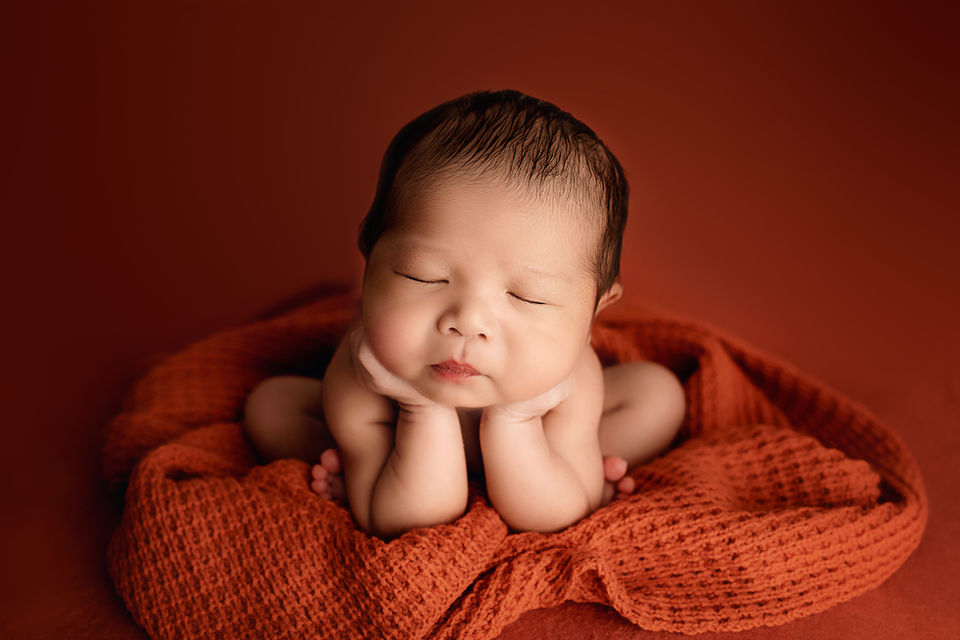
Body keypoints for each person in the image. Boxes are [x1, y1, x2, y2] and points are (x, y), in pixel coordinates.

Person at [243, 89, 686, 539]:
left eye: (529, 298)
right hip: (399, 447)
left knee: (658, 395)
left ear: (593, 314)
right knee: (269, 407)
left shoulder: (567, 378)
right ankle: (370, 468)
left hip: (542, 442)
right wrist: (419, 408)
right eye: (425, 276)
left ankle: (569, 466)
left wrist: (517, 420)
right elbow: (409, 521)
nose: (468, 321)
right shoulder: (363, 375)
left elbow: (552, 517)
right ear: (369, 263)